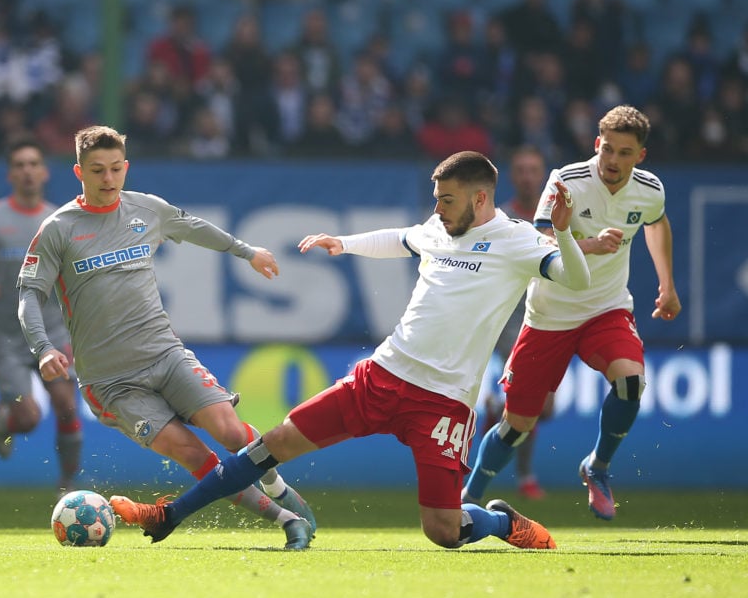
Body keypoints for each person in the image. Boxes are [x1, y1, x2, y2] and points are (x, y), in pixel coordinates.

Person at [110, 150, 591, 550]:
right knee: (272, 444)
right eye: (436, 199)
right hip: (381, 376)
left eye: (447, 199)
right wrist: (343, 242)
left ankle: (501, 523)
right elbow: (401, 239)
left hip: (443, 402)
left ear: (480, 197)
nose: (438, 208)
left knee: (443, 531)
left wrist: (565, 234)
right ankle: (169, 516)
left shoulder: (519, 241)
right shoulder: (440, 228)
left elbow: (575, 278)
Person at [17, 125, 316, 549]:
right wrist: (43, 348)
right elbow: (29, 295)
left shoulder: (146, 210)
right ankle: (287, 521)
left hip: (166, 354)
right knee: (195, 455)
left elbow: (193, 227)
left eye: (116, 168)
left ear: (126, 167)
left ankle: (278, 488)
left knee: (231, 432)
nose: (108, 179)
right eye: (97, 170)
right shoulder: (59, 228)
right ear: (78, 171)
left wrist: (246, 251)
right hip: (112, 382)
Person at [462, 105, 681, 521]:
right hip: (550, 314)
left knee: (632, 382)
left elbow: (656, 223)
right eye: (608, 150)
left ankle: (597, 466)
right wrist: (591, 244)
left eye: (624, 153)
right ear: (597, 144)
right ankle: (467, 495)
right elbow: (541, 240)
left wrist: (667, 286)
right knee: (517, 424)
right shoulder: (566, 181)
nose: (613, 161)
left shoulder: (650, 189)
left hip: (607, 307)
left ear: (641, 156)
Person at [0, 138, 82, 492]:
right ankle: (8, 420)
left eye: (33, 164)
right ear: (11, 174)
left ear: (44, 172)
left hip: (53, 330)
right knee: (29, 417)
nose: (27, 171)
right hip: (6, 335)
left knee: (66, 404)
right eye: (19, 165)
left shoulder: (60, 219)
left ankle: (68, 484)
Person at [474, 145, 555, 501]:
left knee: (543, 409)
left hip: (545, 317)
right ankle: (522, 476)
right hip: (507, 318)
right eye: (520, 169)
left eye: (533, 169)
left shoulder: (558, 220)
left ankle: (495, 412)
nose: (526, 176)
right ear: (512, 176)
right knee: (528, 401)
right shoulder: (500, 219)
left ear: (543, 175)